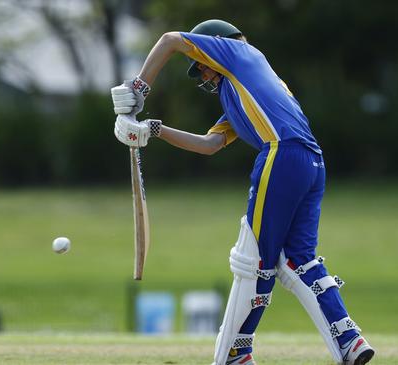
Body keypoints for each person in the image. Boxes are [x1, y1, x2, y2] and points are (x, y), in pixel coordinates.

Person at [110, 19, 375, 365]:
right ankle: (349, 338)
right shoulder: (242, 87)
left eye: (202, 66)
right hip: (312, 163)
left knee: (253, 261)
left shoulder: (238, 51)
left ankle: (235, 353)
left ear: (219, 43)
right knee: (297, 260)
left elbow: (170, 40)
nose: (204, 75)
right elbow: (210, 144)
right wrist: (151, 130)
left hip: (280, 154)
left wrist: (138, 88)